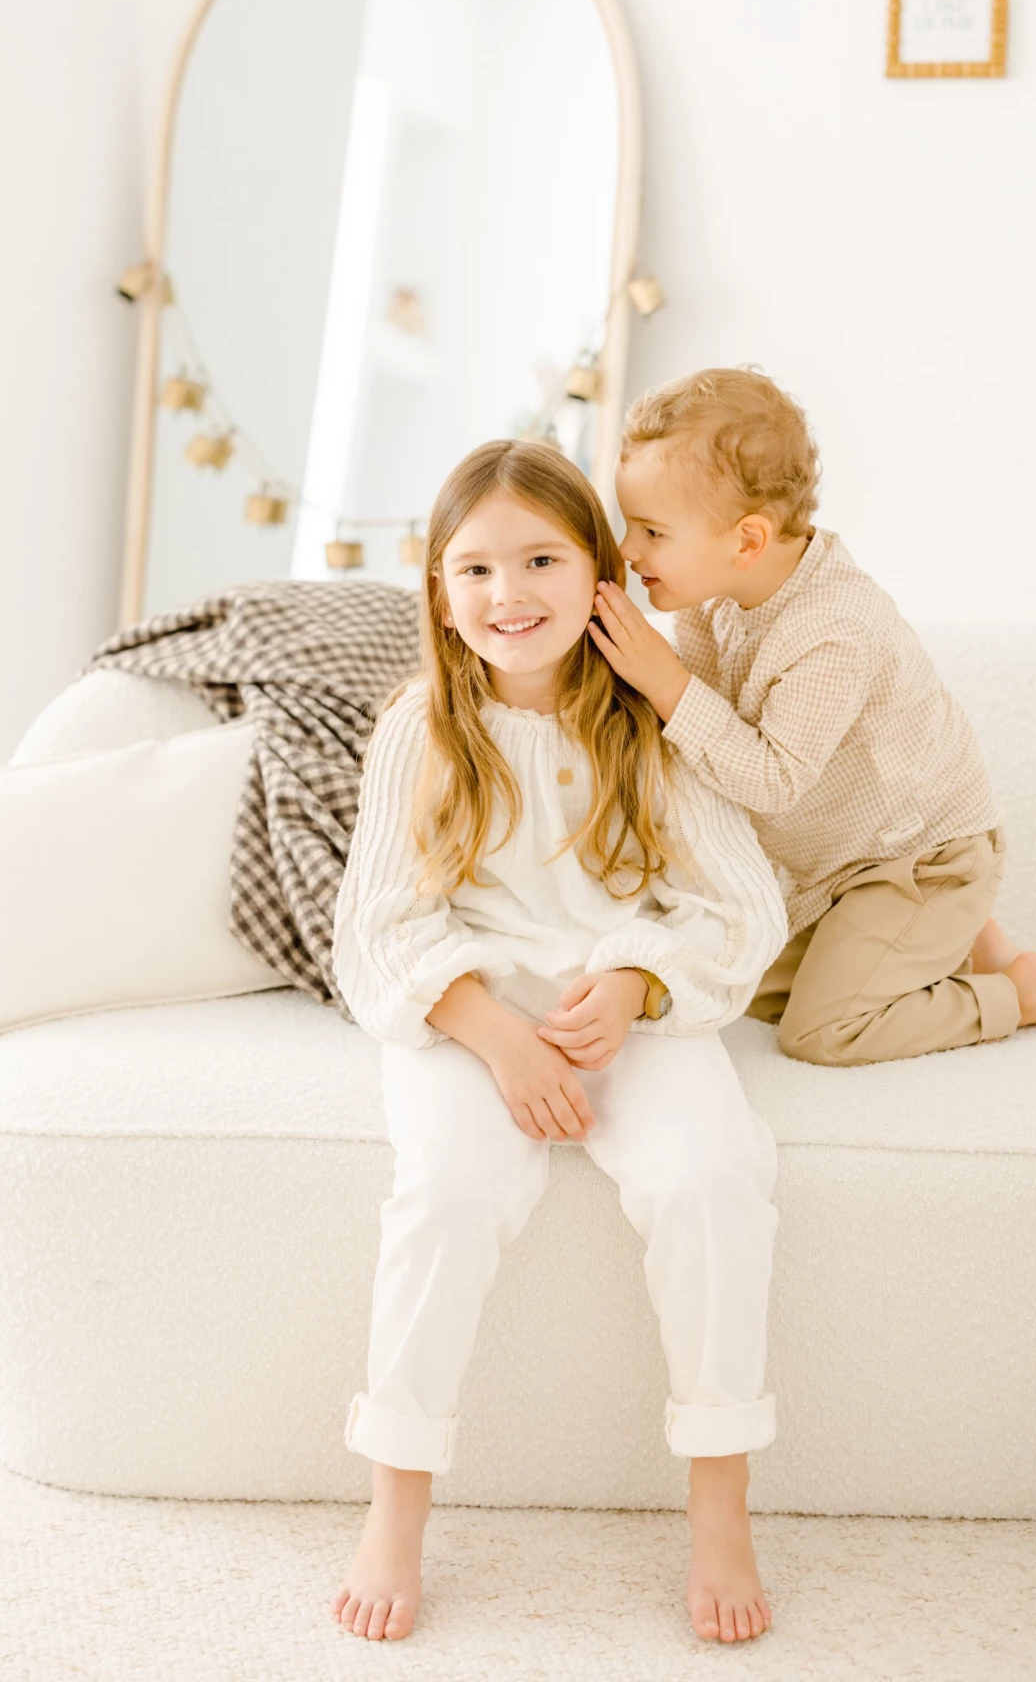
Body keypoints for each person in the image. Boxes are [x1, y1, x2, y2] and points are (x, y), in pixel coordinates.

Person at [330, 438, 789, 1644]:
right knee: (443, 1193)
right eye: (474, 568)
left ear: (600, 576)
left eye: (540, 558)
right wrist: (491, 1032)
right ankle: (396, 1499)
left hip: (633, 995)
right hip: (465, 1008)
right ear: (438, 589)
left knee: (712, 1178)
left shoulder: (653, 720)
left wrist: (638, 979)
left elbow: (743, 909)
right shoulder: (422, 729)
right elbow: (376, 934)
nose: (507, 593)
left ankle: (720, 1498)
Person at [590, 365, 1036, 1066]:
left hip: (919, 858)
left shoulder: (835, 625)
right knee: (725, 989)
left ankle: (1019, 992)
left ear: (747, 541)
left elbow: (772, 780)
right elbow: (703, 746)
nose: (630, 551)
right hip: (830, 875)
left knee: (820, 1033)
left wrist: (667, 686)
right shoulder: (708, 601)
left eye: (652, 531)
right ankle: (965, 948)